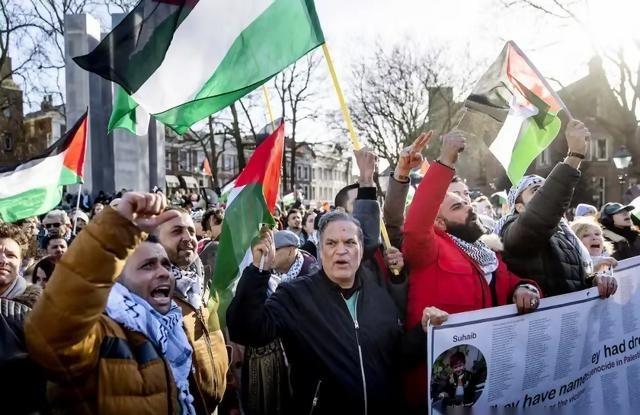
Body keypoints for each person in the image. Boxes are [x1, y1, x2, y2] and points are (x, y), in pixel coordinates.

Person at [25, 192, 227, 414]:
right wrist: (114, 232)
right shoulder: (103, 332)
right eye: (148, 265)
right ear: (118, 278)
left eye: (165, 265)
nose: (163, 273)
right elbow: (50, 337)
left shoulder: (169, 328)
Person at [402, 131, 542, 412]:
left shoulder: (486, 253)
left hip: (486, 382)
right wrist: (445, 160)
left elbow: (511, 282)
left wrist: (525, 288)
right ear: (439, 223)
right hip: (435, 389)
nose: (469, 208)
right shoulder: (429, 249)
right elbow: (417, 223)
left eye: (467, 203)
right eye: (457, 207)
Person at [228, 211, 419, 414]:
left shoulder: (378, 294)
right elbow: (247, 330)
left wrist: (423, 332)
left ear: (361, 249)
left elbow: (395, 355)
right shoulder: (296, 296)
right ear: (320, 250)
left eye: (350, 243)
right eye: (331, 243)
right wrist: (258, 271)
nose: (341, 251)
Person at [496, 120, 617, 298]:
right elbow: (541, 214)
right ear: (519, 207)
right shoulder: (512, 232)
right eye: (536, 191)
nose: (543, 194)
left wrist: (594, 281)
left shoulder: (565, 235)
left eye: (545, 189)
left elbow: (571, 279)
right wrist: (574, 156)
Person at [152, 206, 229, 412]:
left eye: (191, 231)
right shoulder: (148, 295)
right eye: (177, 231)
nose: (188, 238)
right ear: (154, 241)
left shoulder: (203, 285)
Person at [241, 230, 320, 415]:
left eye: (275, 250)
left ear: (291, 250)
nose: (270, 254)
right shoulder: (279, 273)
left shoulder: (310, 273)